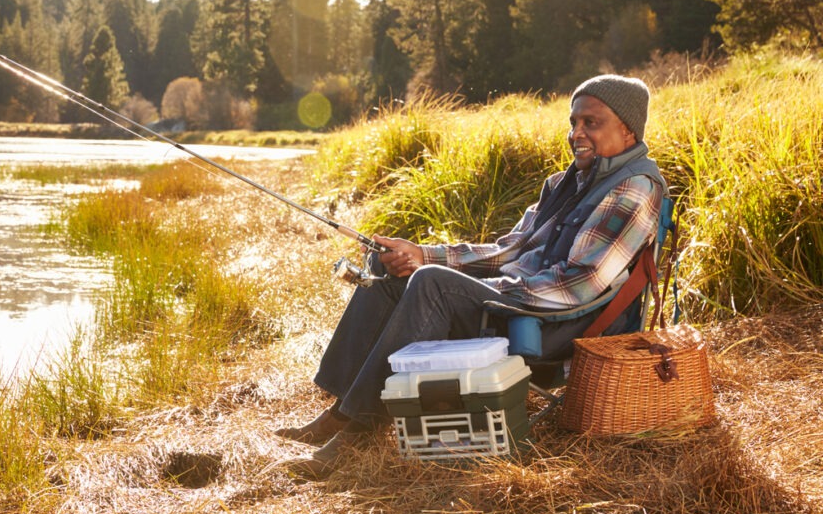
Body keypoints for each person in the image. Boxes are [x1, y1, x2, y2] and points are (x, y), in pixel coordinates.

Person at [276, 74, 668, 479]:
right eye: (573, 122)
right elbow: (507, 250)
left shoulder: (633, 188)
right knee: (386, 265)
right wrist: (421, 253)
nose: (576, 133)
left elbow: (578, 285)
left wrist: (488, 292)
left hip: (556, 326)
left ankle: (358, 432)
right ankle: (340, 412)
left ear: (628, 129)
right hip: (517, 302)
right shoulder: (565, 182)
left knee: (431, 284)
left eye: (591, 123)